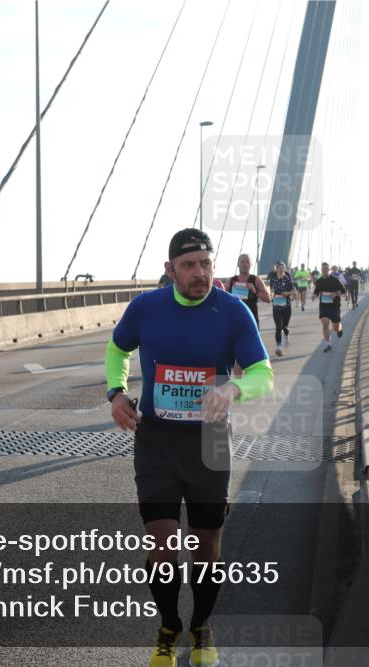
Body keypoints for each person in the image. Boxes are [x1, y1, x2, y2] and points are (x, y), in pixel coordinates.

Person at [105, 228, 273, 667]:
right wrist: (116, 393)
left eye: (205, 264)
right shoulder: (146, 307)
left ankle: (200, 626)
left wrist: (233, 389)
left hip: (210, 441)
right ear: (170, 270)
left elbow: (262, 373)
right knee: (162, 544)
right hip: (157, 441)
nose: (200, 274)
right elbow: (116, 350)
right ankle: (168, 626)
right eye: (189, 266)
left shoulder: (233, 311)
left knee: (207, 546)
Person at [226, 254, 269, 327]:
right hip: (234, 320)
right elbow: (223, 300)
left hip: (251, 320)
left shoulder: (256, 280)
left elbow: (268, 299)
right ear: (238, 264)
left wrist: (255, 291)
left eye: (247, 262)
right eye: (242, 262)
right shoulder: (231, 281)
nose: (245, 264)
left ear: (251, 264)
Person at [314, 263, 346, 353]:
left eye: (326, 269)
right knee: (325, 323)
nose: (324, 270)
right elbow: (317, 290)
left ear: (329, 270)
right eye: (323, 268)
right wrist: (314, 295)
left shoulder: (335, 280)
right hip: (324, 305)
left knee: (335, 328)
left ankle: (340, 329)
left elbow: (343, 290)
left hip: (334, 306)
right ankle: (328, 344)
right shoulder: (319, 281)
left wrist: (335, 294)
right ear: (321, 270)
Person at [268, 261, 298, 357]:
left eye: (282, 268)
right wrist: (271, 294)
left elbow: (294, 292)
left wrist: (288, 293)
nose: (281, 269)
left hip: (286, 306)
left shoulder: (288, 279)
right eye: (279, 267)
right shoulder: (273, 279)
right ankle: (278, 348)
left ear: (284, 269)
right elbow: (271, 289)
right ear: (276, 269)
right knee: (278, 327)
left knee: (285, 327)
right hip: (276, 305)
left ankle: (286, 335)